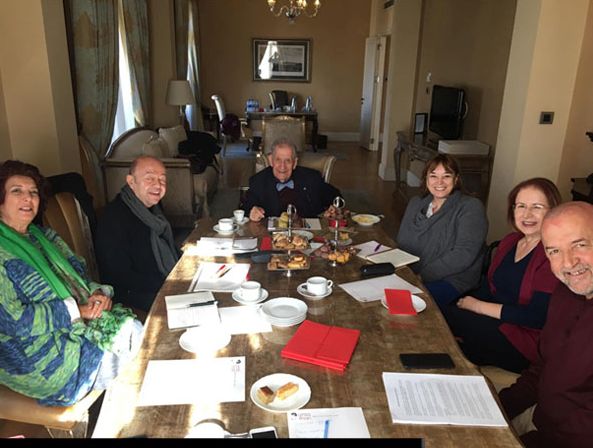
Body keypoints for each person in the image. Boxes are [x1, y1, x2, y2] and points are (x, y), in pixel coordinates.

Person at [0, 160, 142, 406]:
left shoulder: (44, 236)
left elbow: (79, 275)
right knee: (137, 351)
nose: (28, 198)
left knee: (137, 333)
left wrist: (96, 293)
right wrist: (78, 311)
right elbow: (14, 321)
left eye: (33, 192)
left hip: (79, 326)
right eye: (17, 191)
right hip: (39, 357)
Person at [441, 178, 561, 373]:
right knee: (442, 314)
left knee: (447, 330)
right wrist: (462, 302)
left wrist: (478, 307)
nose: (527, 214)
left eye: (537, 207)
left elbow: (537, 317)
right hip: (495, 323)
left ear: (553, 211)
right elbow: (489, 287)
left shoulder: (552, 254)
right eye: (521, 206)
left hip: (523, 339)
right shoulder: (510, 241)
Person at [499, 202, 593, 447]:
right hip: (539, 417)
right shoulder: (565, 292)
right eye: (554, 251)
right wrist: (499, 406)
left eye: (580, 245)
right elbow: (542, 366)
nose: (568, 263)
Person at [396, 153, 488, 306]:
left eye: (446, 176)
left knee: (402, 303)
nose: (439, 182)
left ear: (456, 179)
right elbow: (402, 243)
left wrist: (421, 277)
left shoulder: (470, 207)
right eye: (433, 176)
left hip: (451, 280)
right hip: (412, 273)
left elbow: (463, 255)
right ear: (426, 179)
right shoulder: (416, 203)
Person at [95, 156, 180, 313]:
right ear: (131, 181)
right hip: (134, 294)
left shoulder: (152, 209)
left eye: (162, 179)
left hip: (159, 282)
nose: (158, 185)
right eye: (149, 178)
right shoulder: (114, 218)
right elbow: (119, 276)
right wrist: (170, 284)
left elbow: (168, 248)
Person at [242, 138, 341, 222]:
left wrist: (334, 209)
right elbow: (246, 209)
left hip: (310, 236)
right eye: (278, 160)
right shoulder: (258, 181)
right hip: (271, 236)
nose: (282, 166)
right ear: (271, 161)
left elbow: (336, 198)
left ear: (295, 163)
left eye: (288, 161)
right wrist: (252, 212)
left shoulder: (311, 178)